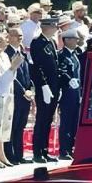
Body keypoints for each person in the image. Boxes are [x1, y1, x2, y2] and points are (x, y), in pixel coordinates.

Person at [29, 17, 60, 162]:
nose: (56, 27)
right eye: (54, 25)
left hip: (53, 85)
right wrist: (43, 84)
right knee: (41, 119)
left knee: (48, 119)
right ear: (46, 26)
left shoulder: (52, 42)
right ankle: (37, 151)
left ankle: (45, 149)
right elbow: (37, 66)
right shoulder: (37, 42)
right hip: (44, 87)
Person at [0, 30, 21, 167]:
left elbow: (11, 77)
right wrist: (12, 68)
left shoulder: (5, 56)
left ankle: (2, 154)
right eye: (2, 40)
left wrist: (13, 68)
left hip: (8, 92)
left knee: (4, 126)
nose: (5, 42)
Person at [6, 27, 34, 163]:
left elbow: (27, 74)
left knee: (20, 126)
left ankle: (19, 155)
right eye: (17, 35)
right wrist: (23, 91)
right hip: (15, 95)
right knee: (13, 126)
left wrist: (30, 89)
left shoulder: (21, 52)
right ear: (10, 37)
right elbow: (12, 76)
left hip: (25, 96)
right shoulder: (8, 53)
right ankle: (10, 155)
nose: (20, 37)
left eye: (21, 35)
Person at [57, 32, 83, 160]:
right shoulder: (62, 55)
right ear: (66, 40)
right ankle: (64, 150)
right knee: (66, 122)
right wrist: (68, 80)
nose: (77, 41)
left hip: (75, 93)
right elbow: (61, 71)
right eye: (74, 39)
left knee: (74, 122)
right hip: (67, 93)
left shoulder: (75, 55)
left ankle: (71, 147)